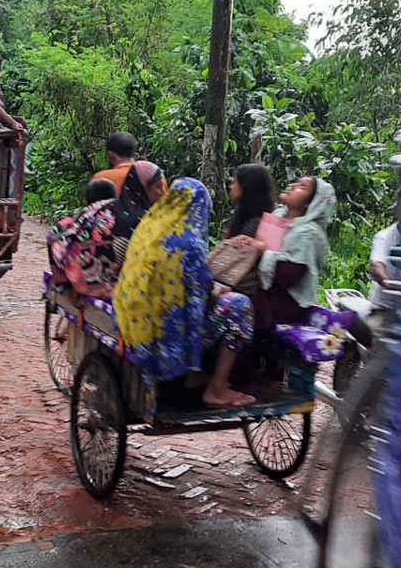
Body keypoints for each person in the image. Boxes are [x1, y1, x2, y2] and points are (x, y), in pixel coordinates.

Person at [115, 178, 256, 408]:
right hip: (167, 339)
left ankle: (193, 376)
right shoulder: (190, 243)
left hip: (138, 324)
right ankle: (217, 388)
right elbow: (200, 290)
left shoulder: (148, 229)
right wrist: (218, 290)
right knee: (239, 306)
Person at [47, 161, 165, 299]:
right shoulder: (143, 224)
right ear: (143, 189)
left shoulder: (103, 205)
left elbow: (54, 232)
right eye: (158, 187)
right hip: (105, 290)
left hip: (72, 277)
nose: (162, 193)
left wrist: (60, 274)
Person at [241, 176, 336, 329]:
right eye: (296, 182)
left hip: (282, 302)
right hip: (260, 288)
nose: (292, 186)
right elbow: (264, 247)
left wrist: (264, 252)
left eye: (302, 187)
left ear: (309, 203)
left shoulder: (308, 234)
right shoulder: (278, 216)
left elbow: (288, 276)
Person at [222, 163, 275, 240]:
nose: (231, 187)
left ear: (245, 186)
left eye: (234, 182)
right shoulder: (243, 215)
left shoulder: (258, 225)